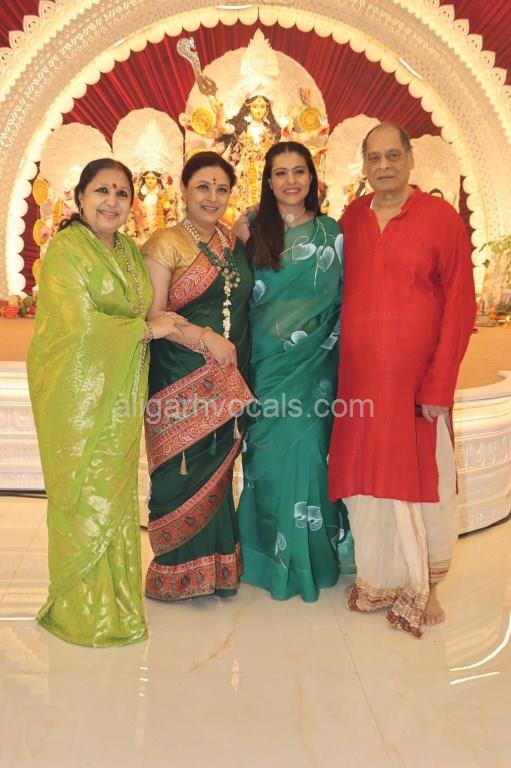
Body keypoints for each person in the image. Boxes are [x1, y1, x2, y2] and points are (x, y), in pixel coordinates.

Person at [28, 158, 185, 646]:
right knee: (85, 497)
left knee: (115, 499)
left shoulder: (129, 253)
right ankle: (80, 610)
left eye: (121, 193)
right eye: (102, 191)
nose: (112, 201)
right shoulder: (65, 251)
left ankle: (115, 604)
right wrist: (145, 330)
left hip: (119, 395)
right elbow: (76, 328)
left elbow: (144, 310)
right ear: (80, 198)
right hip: (77, 402)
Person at [328, 123, 476, 637]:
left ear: (411, 160)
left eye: (393, 155)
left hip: (416, 388)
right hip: (359, 384)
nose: (384, 165)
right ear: (364, 165)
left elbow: (460, 307)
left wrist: (439, 386)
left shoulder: (441, 219)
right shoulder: (351, 219)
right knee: (368, 481)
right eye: (374, 158)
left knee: (421, 480)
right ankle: (380, 577)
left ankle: (423, 583)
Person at [235, 141, 352, 602]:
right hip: (264, 365)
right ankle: (265, 557)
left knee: (310, 455)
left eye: (298, 171)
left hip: (316, 365)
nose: (290, 181)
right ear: (268, 181)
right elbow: (234, 294)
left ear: (311, 178)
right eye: (280, 173)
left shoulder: (331, 232)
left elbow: (346, 297)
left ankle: (311, 560)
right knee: (264, 460)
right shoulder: (249, 228)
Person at [142, 151, 253, 601]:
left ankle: (218, 570)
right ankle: (174, 574)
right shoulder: (164, 243)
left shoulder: (232, 242)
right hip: (178, 375)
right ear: (184, 189)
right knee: (179, 473)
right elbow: (154, 316)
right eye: (203, 186)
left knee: (218, 474)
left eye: (221, 189)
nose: (212, 197)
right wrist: (206, 339)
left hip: (227, 376)